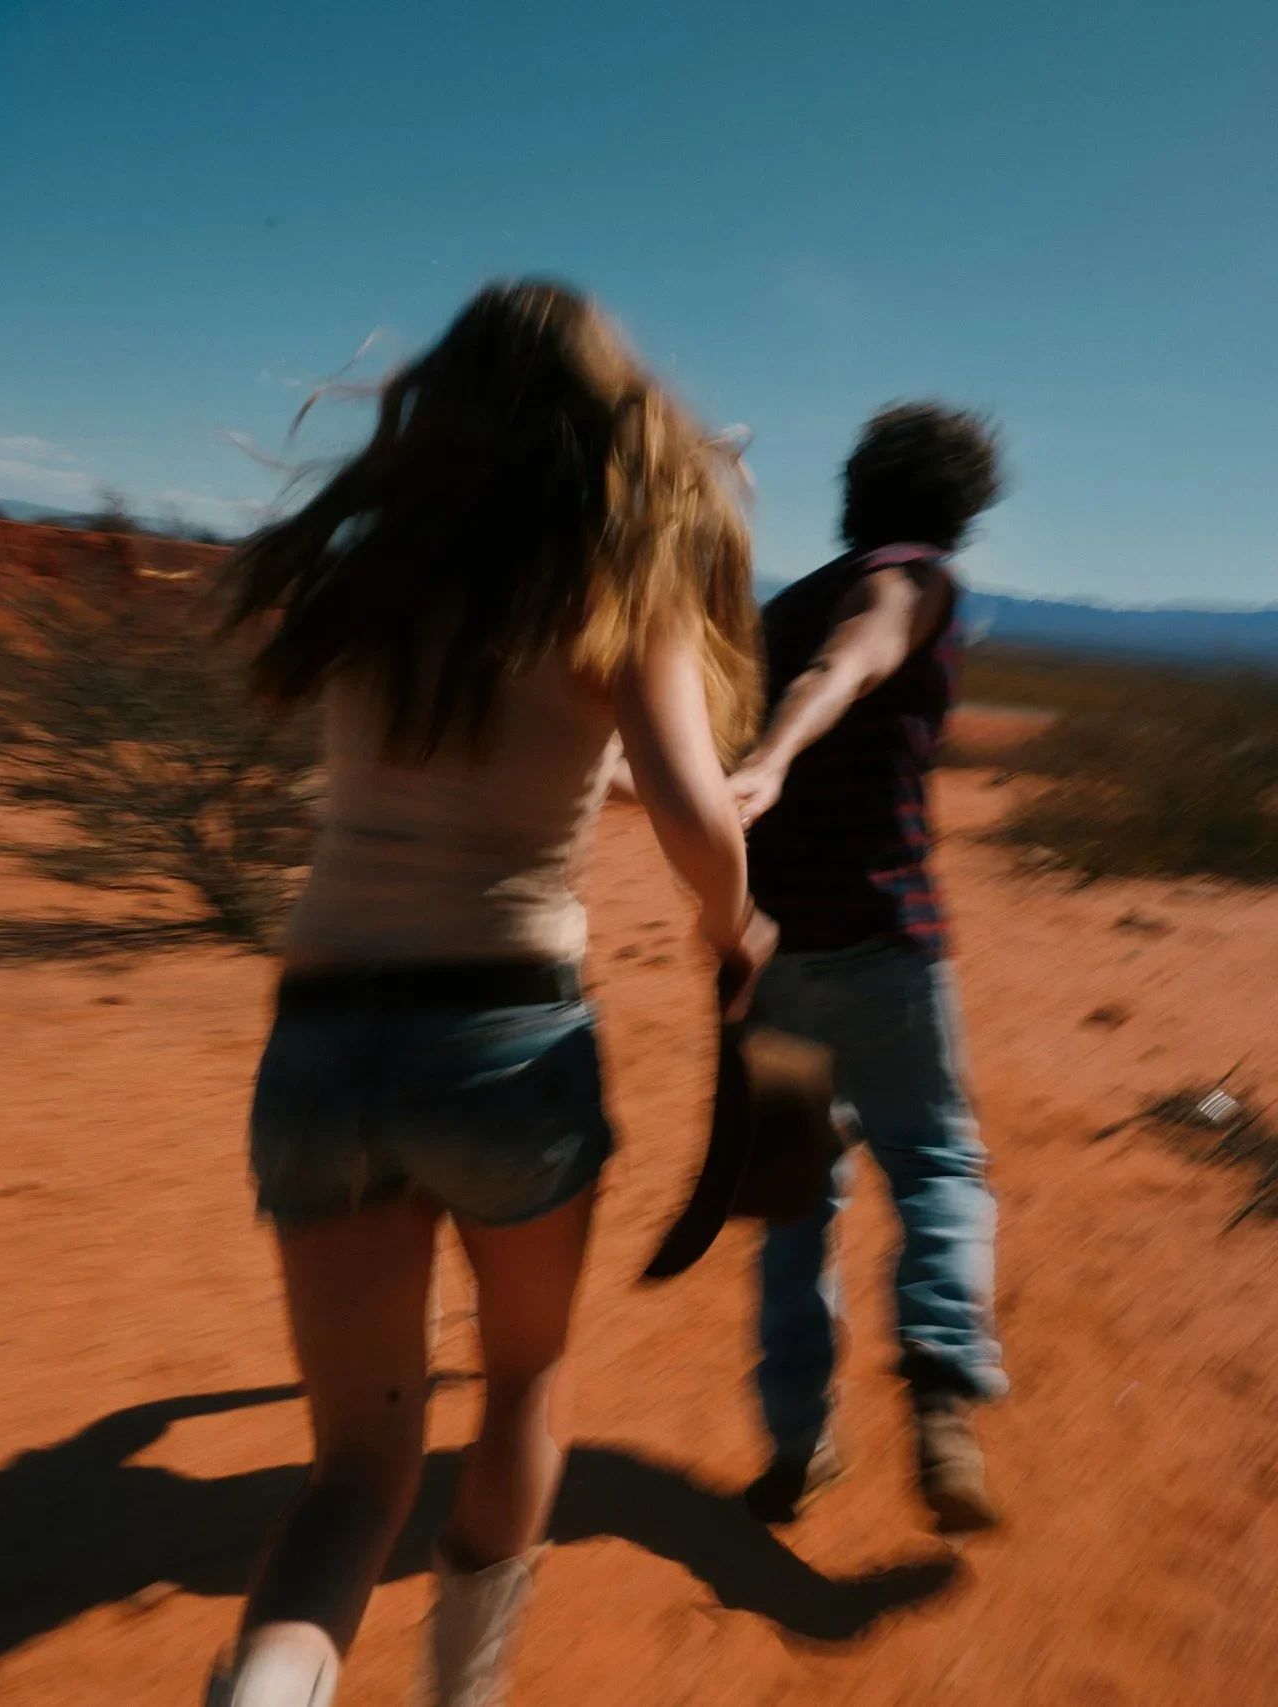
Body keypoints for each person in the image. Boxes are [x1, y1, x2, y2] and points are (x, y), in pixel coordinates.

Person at [205, 280, 776, 1707]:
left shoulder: (376, 572)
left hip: (322, 1041)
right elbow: (699, 819)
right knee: (525, 1380)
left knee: (354, 1472)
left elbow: (484, 753)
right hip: (503, 1043)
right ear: (606, 419)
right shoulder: (613, 578)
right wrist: (734, 928)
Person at [728, 402, 1008, 1533]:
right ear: (960, 503)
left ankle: (796, 1443)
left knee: (792, 1205)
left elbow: (809, 666)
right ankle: (940, 1390)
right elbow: (856, 658)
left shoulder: (786, 604)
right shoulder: (912, 581)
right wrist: (776, 754)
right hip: (887, 945)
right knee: (936, 1162)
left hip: (774, 956)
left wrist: (754, 765)